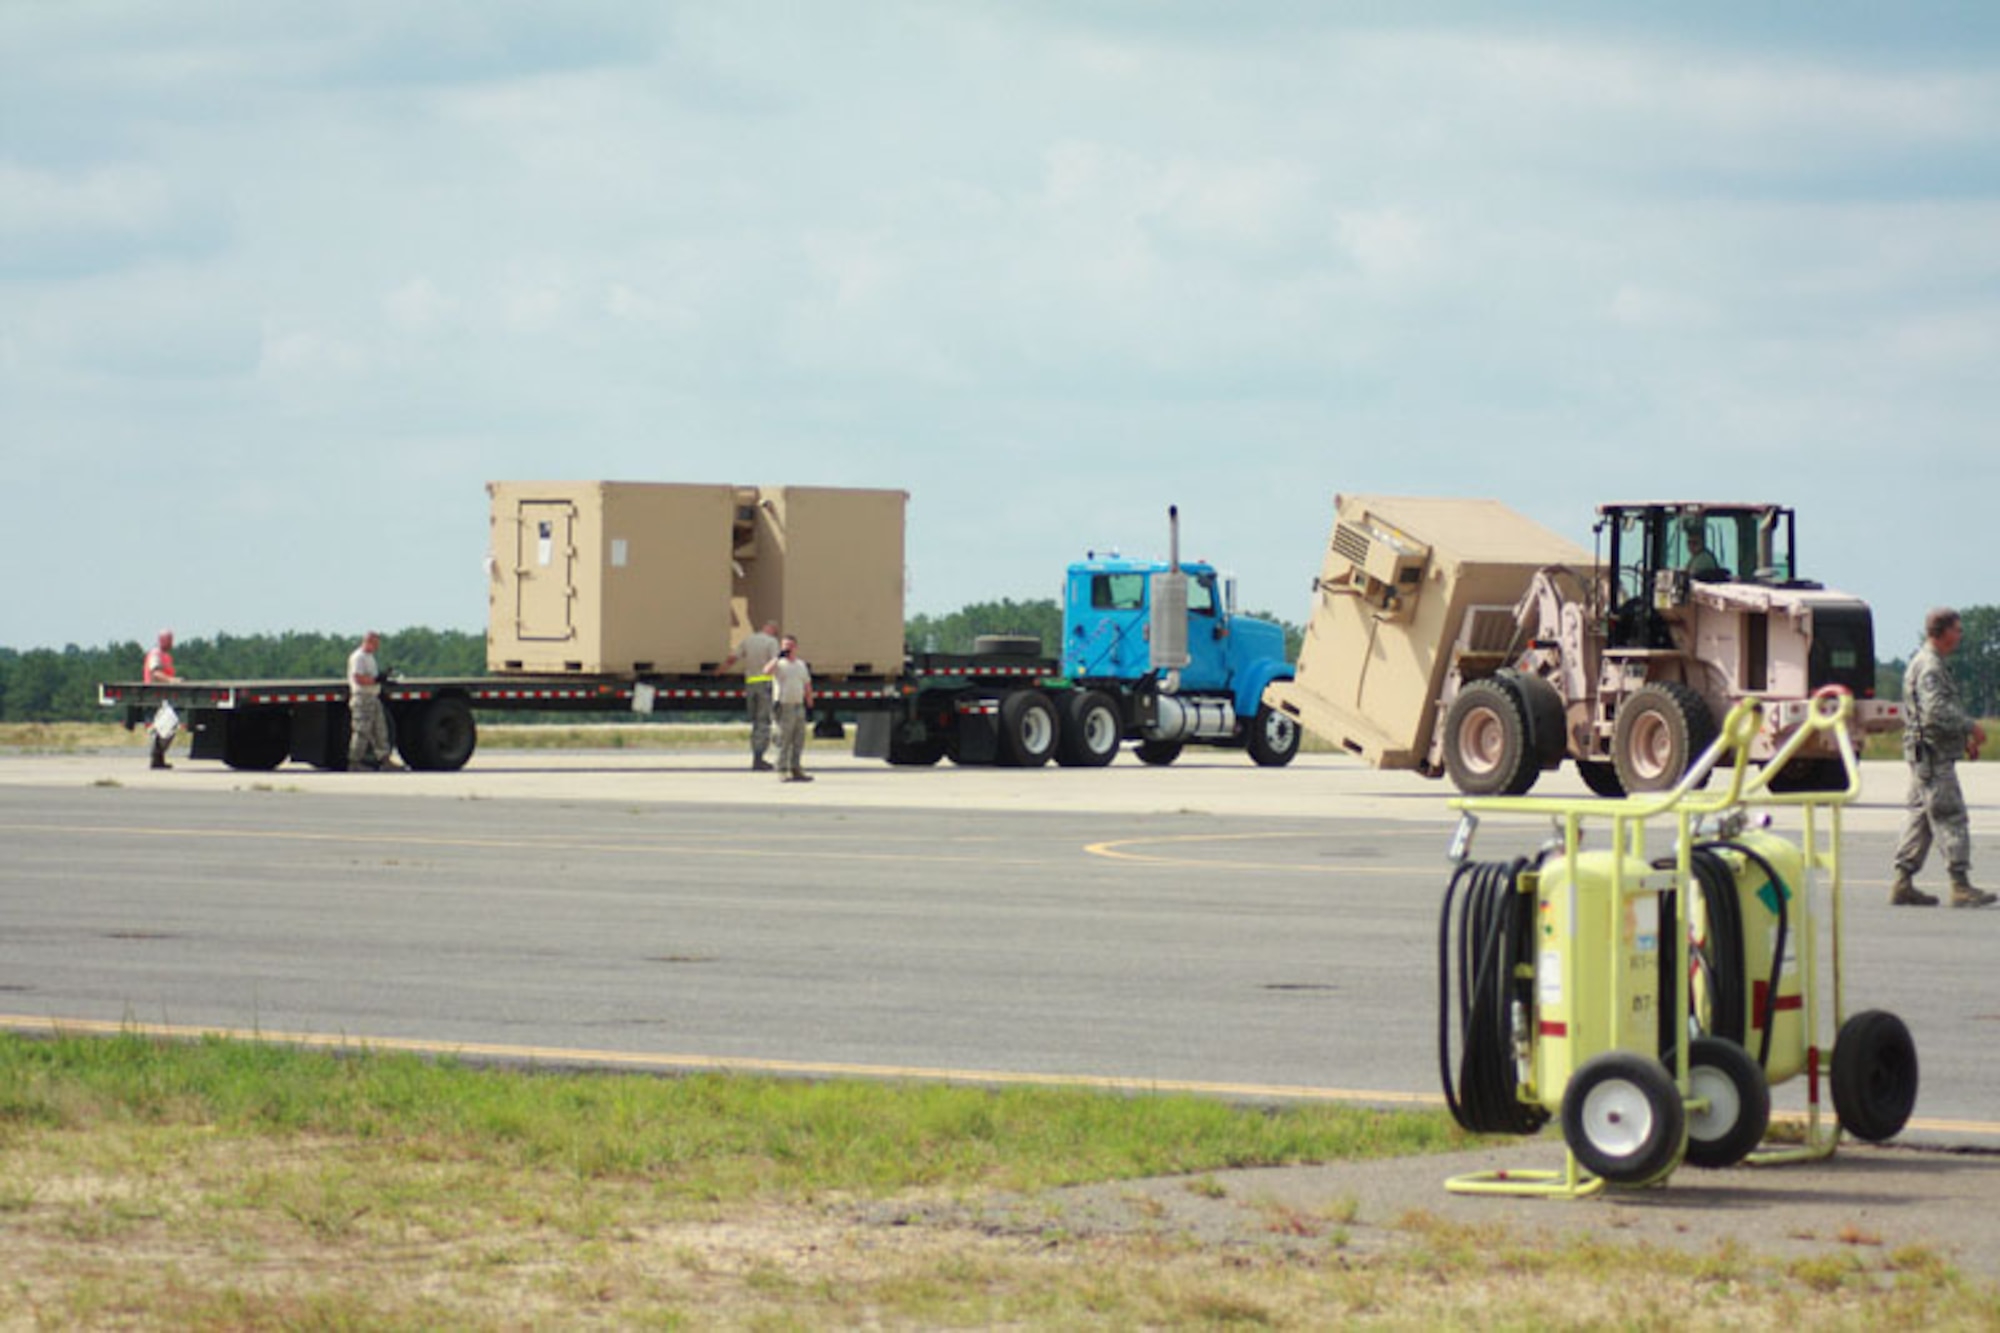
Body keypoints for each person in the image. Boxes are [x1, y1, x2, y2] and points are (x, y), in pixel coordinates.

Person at [1890, 607, 1993, 908]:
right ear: (1943, 631)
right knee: (1950, 815)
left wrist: (1963, 741)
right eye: (1957, 630)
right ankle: (1960, 885)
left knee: (1920, 817)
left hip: (1928, 753)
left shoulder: (1929, 663)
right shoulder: (1930, 667)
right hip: (1932, 756)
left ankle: (1903, 881)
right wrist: (1970, 726)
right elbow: (1935, 711)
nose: (1960, 635)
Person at [721, 619, 781, 771]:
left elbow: (733, 658)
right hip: (764, 685)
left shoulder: (749, 640)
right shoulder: (771, 642)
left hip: (750, 684)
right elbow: (775, 663)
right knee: (763, 721)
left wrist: (719, 671)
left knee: (755, 721)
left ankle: (757, 754)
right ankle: (758, 757)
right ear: (773, 630)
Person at [346, 630, 399, 772]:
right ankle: (354, 762)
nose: (377, 646)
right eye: (375, 643)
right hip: (362, 698)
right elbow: (358, 678)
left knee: (380, 730)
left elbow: (371, 677)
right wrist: (376, 680)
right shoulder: (359, 657)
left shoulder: (370, 657)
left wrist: (383, 678)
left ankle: (385, 760)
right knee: (361, 731)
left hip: (373, 697)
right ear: (368, 641)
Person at [766, 634, 815, 782]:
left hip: (798, 705)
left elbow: (807, 684)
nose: (787, 648)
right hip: (784, 705)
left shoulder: (801, 665)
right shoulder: (779, 664)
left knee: (798, 739)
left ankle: (796, 768)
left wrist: (809, 700)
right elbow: (766, 671)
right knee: (784, 739)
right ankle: (782, 769)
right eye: (785, 645)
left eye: (790, 645)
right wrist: (777, 657)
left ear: (795, 647)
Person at [142, 629, 178, 769]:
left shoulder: (166, 656)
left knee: (165, 727)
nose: (171, 643)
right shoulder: (155, 654)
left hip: (164, 695)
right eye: (169, 639)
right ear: (162, 640)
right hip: (154, 696)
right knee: (165, 727)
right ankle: (156, 758)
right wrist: (171, 681)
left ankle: (158, 758)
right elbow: (155, 673)